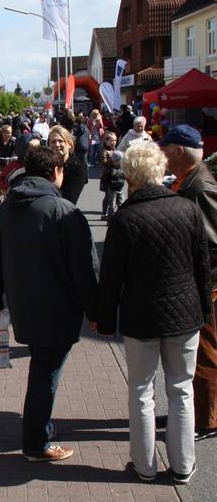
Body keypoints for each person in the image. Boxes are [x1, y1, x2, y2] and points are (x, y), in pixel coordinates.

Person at [98, 142, 211, 484]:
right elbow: (201, 268)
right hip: (184, 314)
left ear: (129, 176)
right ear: (160, 171)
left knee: (142, 391)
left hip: (141, 317)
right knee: (181, 389)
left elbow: (111, 278)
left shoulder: (124, 218)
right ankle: (182, 466)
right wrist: (205, 310)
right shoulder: (187, 209)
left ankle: (145, 466)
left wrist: (105, 320)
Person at [0, 145, 98, 463]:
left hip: (24, 304)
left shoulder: (8, 208)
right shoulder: (62, 210)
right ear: (56, 171)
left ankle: (40, 428)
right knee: (46, 373)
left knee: (43, 367)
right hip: (57, 307)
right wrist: (96, 311)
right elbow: (84, 269)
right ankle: (36, 441)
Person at [159, 124, 217, 442]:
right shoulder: (191, 181)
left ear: (179, 151)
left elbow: (211, 246)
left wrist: (200, 286)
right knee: (195, 355)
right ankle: (192, 411)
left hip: (207, 287)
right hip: (200, 285)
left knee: (206, 352)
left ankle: (207, 419)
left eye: (166, 150)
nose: (163, 156)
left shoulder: (201, 187)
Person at [48, 125, 88, 205]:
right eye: (53, 142)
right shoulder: (45, 164)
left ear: (69, 144)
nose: (57, 144)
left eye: (60, 141)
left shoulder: (78, 168)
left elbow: (69, 200)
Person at [99, 132, 125, 220]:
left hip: (116, 176)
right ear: (106, 141)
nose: (113, 142)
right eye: (111, 140)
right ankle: (104, 213)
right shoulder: (104, 151)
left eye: (115, 140)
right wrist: (113, 160)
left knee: (115, 196)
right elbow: (104, 163)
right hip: (108, 176)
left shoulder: (115, 149)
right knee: (108, 196)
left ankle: (113, 213)